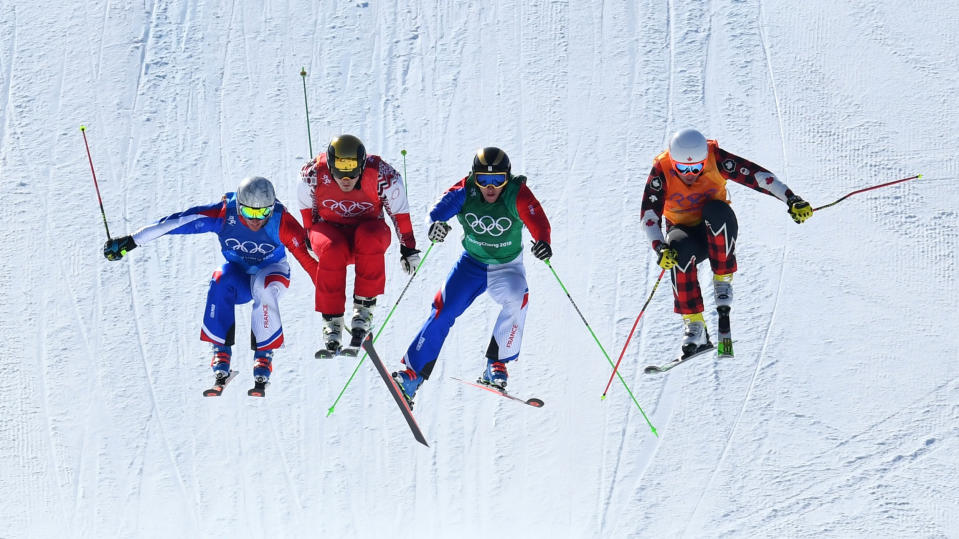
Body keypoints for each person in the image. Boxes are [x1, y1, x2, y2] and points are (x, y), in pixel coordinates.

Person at [102, 176, 318, 394]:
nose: (256, 220)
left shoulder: (282, 222)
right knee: (220, 277)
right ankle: (221, 353)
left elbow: (309, 262)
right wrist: (131, 241)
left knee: (263, 285)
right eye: (249, 213)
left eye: (262, 213)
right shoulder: (225, 214)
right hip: (240, 279)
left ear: (271, 208)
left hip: (273, 274)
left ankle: (264, 356)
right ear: (239, 207)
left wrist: (333, 304)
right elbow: (178, 222)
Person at [391, 147, 552, 407]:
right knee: (443, 309)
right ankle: (411, 377)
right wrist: (434, 226)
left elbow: (539, 222)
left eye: (498, 180)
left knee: (518, 298)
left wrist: (543, 242)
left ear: (507, 178)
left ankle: (496, 365)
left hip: (507, 267)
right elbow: (436, 211)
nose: (490, 187)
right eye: (484, 180)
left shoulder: (517, 193)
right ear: (474, 177)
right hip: (471, 264)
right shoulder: (467, 190)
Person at [640, 128, 813, 358]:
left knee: (716, 210)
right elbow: (649, 215)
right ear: (673, 162)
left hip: (717, 228)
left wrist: (791, 198)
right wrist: (659, 247)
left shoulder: (716, 158)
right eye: (682, 168)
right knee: (676, 247)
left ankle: (722, 281)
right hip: (686, 233)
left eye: (696, 167)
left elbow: (757, 176)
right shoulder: (661, 170)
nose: (690, 174)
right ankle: (695, 325)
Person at [298, 134, 420, 358]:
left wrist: (408, 247)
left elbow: (399, 211)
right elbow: (306, 207)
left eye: (352, 168)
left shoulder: (382, 175)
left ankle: (364, 309)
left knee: (369, 235)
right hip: (331, 234)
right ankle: (331, 321)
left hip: (367, 234)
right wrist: (308, 235)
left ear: (362, 164)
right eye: (340, 168)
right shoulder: (314, 173)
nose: (346, 177)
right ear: (331, 163)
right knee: (332, 247)